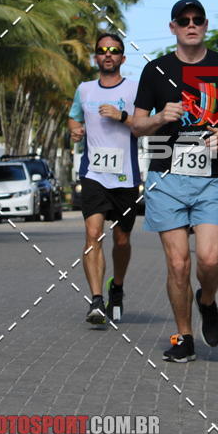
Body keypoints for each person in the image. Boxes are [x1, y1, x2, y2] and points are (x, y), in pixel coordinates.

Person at [133, 0, 218, 362]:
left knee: (210, 261)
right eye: (183, 20)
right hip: (165, 177)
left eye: (197, 19)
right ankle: (184, 337)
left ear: (205, 24)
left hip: (210, 179)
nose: (191, 25)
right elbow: (137, 124)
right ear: (173, 28)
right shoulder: (155, 70)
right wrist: (158, 118)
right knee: (179, 264)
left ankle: (208, 300)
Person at [68, 34, 140, 326]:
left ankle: (117, 287)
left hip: (125, 176)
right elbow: (74, 117)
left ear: (123, 58)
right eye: (102, 51)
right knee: (92, 233)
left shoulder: (135, 89)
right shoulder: (84, 90)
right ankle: (96, 300)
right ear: (95, 57)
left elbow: (146, 126)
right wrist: (75, 130)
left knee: (122, 240)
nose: (108, 54)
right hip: (94, 174)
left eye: (114, 51)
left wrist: (122, 116)